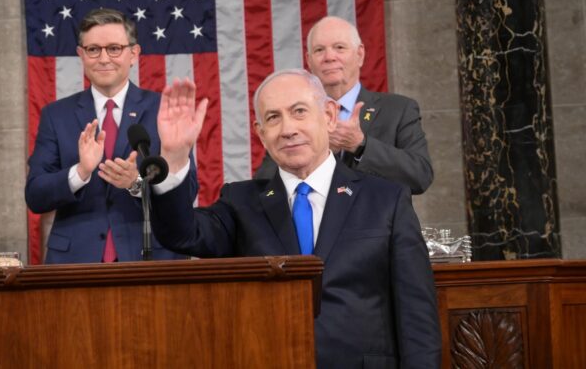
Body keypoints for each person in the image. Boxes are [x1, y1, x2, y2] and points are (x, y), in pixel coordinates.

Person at [150, 70, 441, 368]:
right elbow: (182, 234)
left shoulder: (386, 200)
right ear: (261, 134)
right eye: (273, 118)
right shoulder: (241, 202)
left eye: (299, 111)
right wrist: (174, 159)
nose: (288, 129)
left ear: (328, 116)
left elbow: (417, 315)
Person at [25, 8, 196, 263]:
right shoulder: (56, 115)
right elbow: (36, 196)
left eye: (114, 48)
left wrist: (136, 184)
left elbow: (187, 192)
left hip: (151, 257)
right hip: (75, 263)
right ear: (81, 55)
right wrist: (80, 172)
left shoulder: (163, 111)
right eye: (93, 49)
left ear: (133, 54)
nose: (104, 58)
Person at [255, 16, 433, 194]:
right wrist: (316, 150)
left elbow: (420, 176)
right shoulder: (291, 117)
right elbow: (263, 187)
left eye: (339, 48)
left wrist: (361, 145)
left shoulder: (398, 109)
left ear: (360, 54)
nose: (329, 57)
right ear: (309, 60)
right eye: (319, 50)